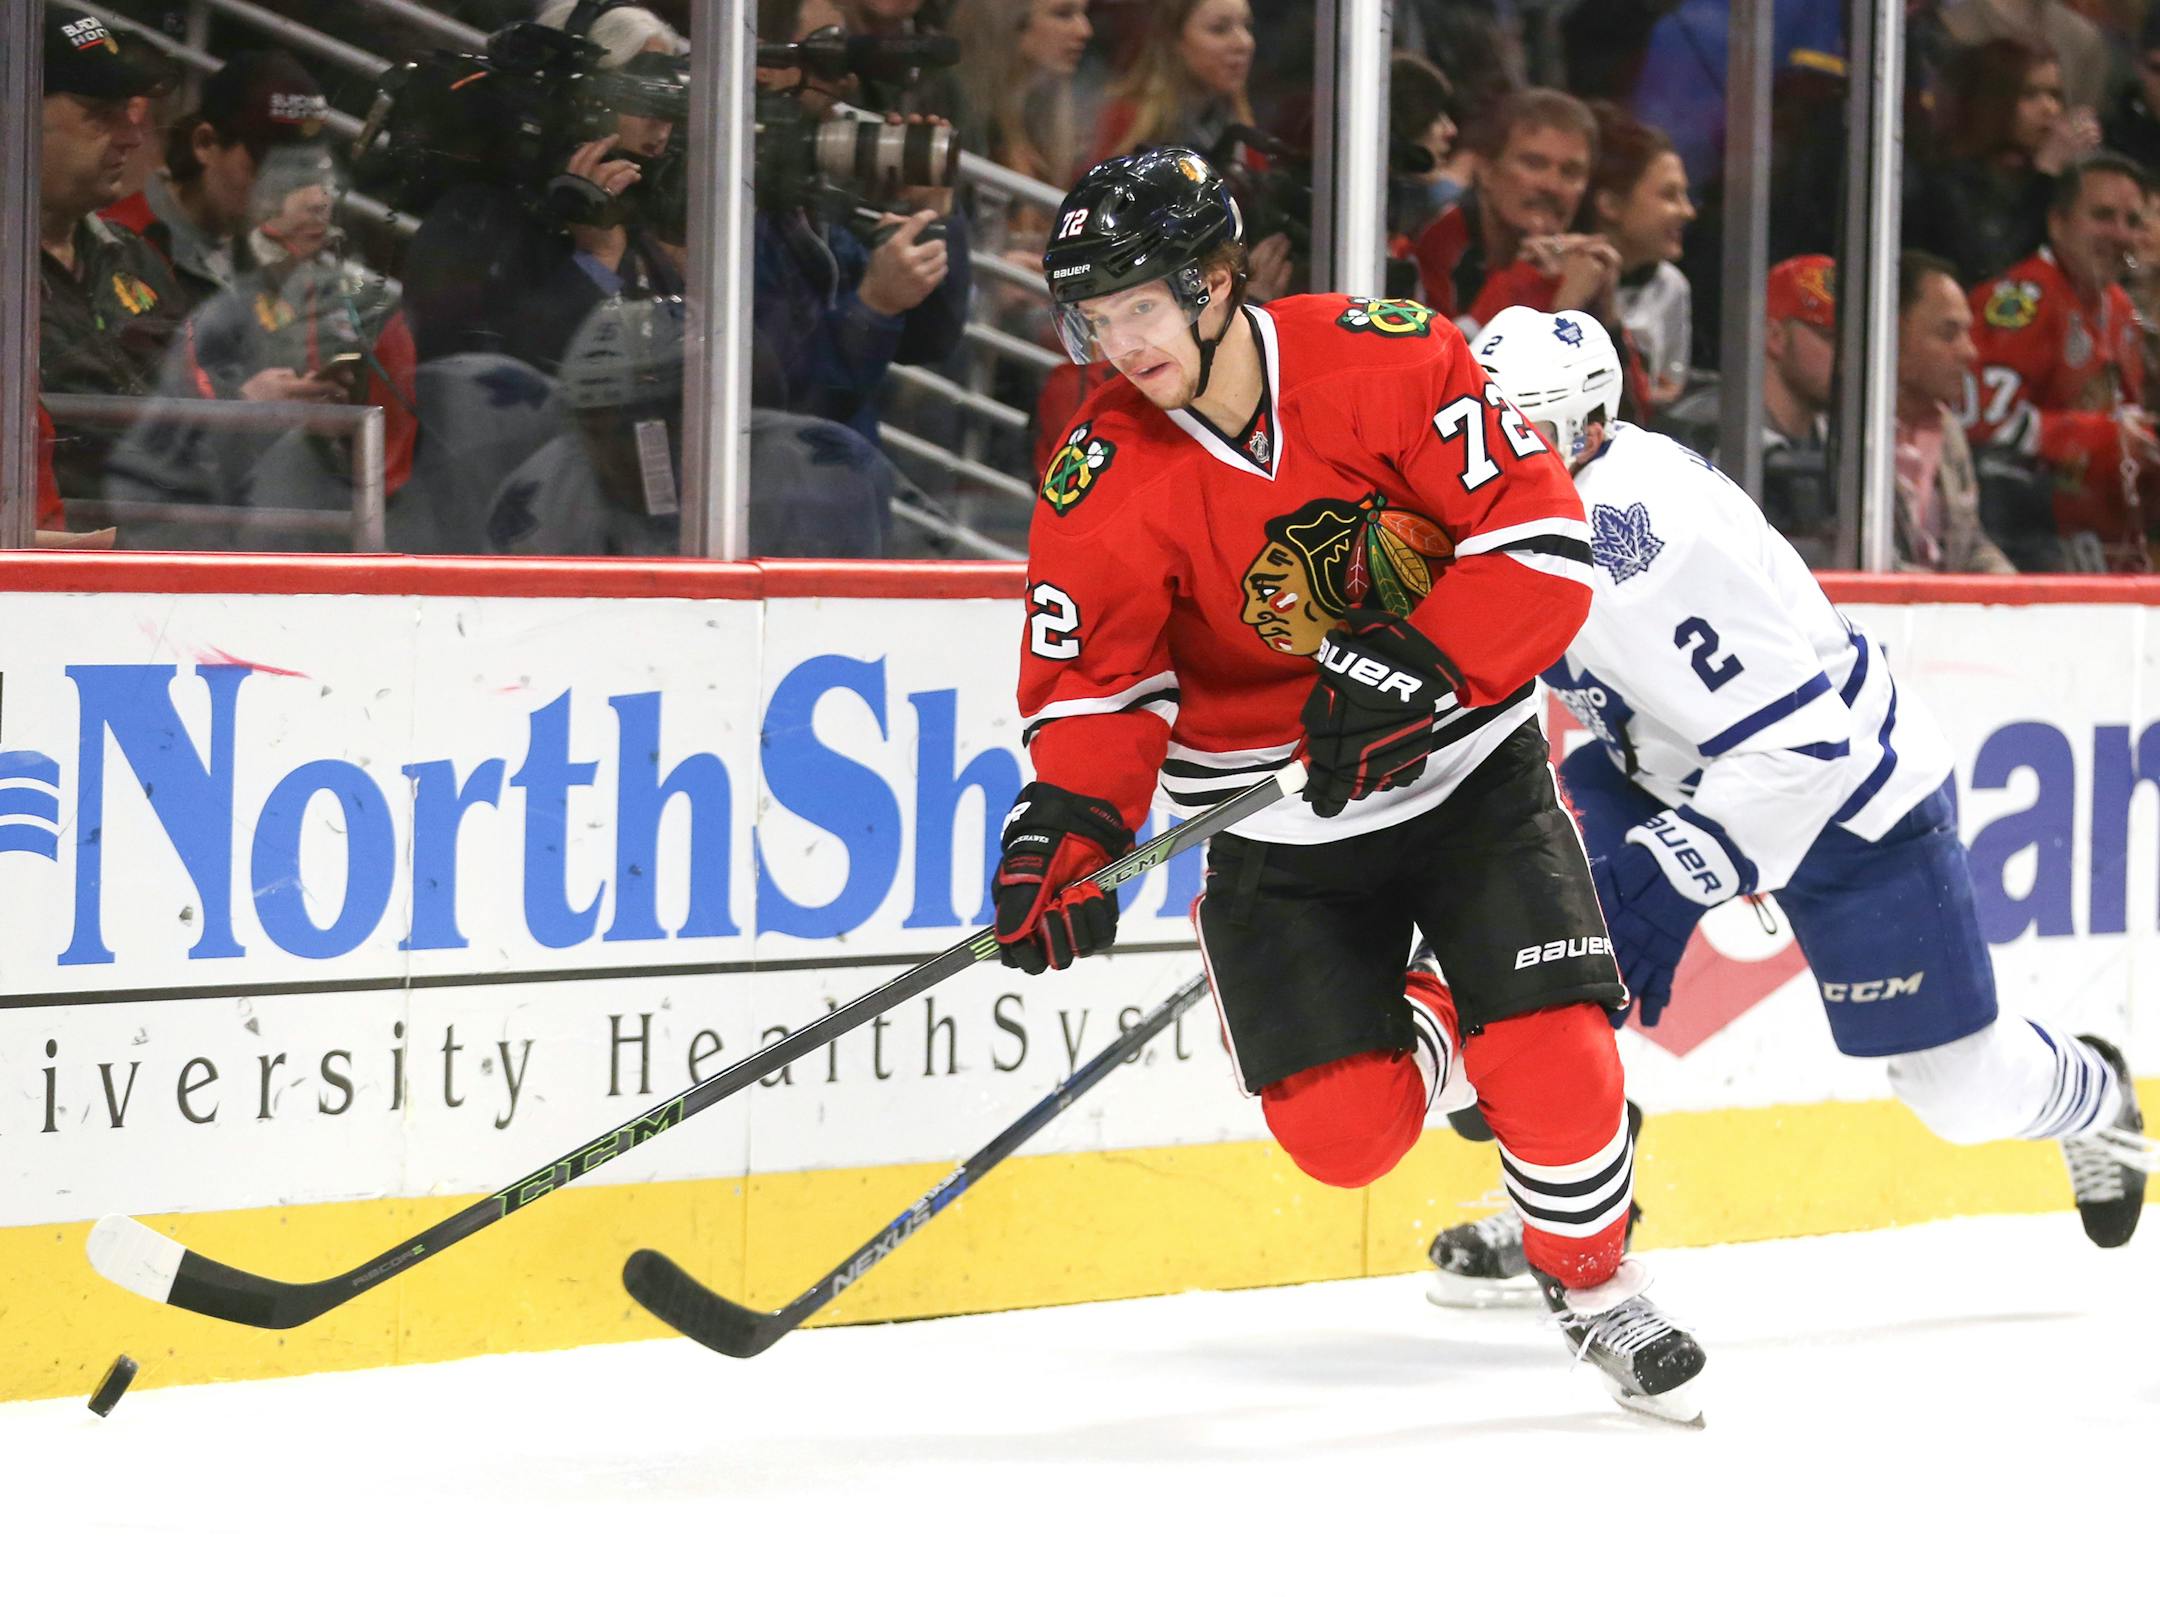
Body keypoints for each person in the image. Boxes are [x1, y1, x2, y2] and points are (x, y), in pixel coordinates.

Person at [1000, 146, 1708, 1423]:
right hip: (1278, 819)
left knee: (1555, 1059)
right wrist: (1069, 823)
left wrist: (1424, 666)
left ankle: (1595, 1287)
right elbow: (1097, 689)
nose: (1119, 344)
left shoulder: (1388, 357)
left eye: (1141, 308)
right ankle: (1447, 1001)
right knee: (1343, 1137)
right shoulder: (1099, 470)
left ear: (1215, 282)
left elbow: (1540, 543)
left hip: (1468, 767)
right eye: (1094, 320)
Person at [1422, 304, 2152, 1304]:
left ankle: (2090, 1092)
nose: (1478, 453)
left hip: (1851, 805)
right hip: (1661, 772)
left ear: (1581, 426)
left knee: (1954, 1093)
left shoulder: (1645, 542)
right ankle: (1578, 1201)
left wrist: (1678, 876)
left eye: (1513, 429)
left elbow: (1802, 747)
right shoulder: (1517, 509)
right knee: (1525, 974)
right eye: (1468, 424)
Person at [752, 0, 972, 444]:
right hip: (773, 485)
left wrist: (932, 212)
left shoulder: (812, 204)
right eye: (827, 59)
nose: (848, 79)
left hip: (840, 477)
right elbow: (793, 404)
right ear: (762, 67)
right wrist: (873, 306)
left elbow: (928, 340)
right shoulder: (730, 217)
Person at [1965, 152, 2160, 572]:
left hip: (2101, 542)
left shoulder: (2121, 309)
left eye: (2133, 221)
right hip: (2027, 542)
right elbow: (1982, 423)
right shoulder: (2023, 299)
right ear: (2058, 223)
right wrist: (2103, 437)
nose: (2120, 234)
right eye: (2103, 215)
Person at [36, 7, 184, 509]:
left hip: (159, 555)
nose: (131, 136)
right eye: (100, 111)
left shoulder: (133, 257)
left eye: (130, 110)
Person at [102, 51, 333, 320]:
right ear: (205, 143)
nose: (281, 189)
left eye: (297, 169)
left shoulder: (274, 261)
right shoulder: (119, 244)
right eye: (266, 165)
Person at [1661, 255, 1840, 565]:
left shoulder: (1845, 443)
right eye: (1830, 337)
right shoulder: (1702, 434)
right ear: (1775, 337)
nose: (1848, 356)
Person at [1411, 89, 1616, 337]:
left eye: (1571, 172)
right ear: (1486, 170)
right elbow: (1439, 366)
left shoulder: (1581, 264)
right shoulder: (1437, 242)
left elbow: (1625, 376)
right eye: (1534, 163)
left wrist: (1606, 312)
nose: (1552, 186)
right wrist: (1559, 312)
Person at [1905, 40, 2099, 289]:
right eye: (2030, 94)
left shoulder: (2053, 178)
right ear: (1991, 101)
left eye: (2054, 95)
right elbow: (1995, 271)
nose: (2049, 109)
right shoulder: (1945, 185)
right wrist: (2046, 174)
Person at [1894, 252, 2017, 573]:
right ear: (1892, 333)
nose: (1970, 352)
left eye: (1967, 333)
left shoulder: (1947, 429)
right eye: (1949, 334)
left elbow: (1971, 543)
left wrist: (2020, 597)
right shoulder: (1845, 431)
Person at [1589, 104, 1696, 409]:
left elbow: (1670, 385)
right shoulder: (1556, 276)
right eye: (1669, 195)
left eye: (1685, 195)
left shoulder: (1671, 285)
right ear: (1610, 204)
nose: (1688, 211)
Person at [948, 0, 1094, 189]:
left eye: (1083, 15)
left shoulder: (1044, 121)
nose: (1084, 31)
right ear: (1008, 20)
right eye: (1063, 14)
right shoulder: (961, 118)